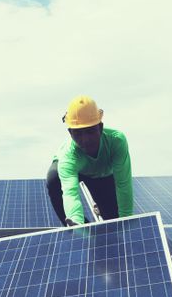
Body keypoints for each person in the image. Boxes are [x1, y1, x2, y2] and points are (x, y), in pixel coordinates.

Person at [45, 95, 133, 226]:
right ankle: (82, 230)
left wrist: (127, 221)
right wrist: (76, 222)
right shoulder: (68, 156)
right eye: (78, 133)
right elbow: (70, 193)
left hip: (102, 176)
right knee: (53, 177)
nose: (85, 140)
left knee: (114, 220)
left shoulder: (116, 141)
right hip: (78, 171)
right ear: (70, 133)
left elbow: (123, 184)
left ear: (100, 127)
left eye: (90, 131)